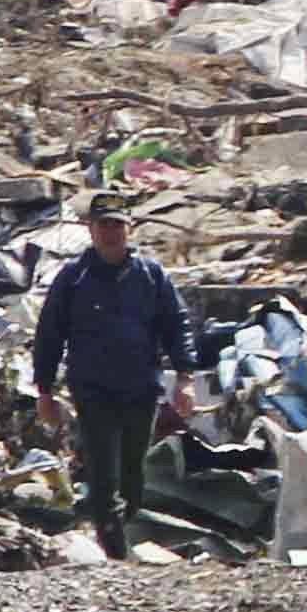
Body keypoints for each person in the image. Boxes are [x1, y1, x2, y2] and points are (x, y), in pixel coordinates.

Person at [31, 198, 196, 559]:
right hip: (93, 390)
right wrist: (45, 390)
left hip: (141, 387)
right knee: (103, 473)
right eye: (103, 225)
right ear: (90, 229)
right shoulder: (73, 278)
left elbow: (176, 325)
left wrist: (185, 377)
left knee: (133, 471)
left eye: (117, 225)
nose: (110, 233)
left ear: (129, 228)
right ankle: (115, 552)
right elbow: (49, 336)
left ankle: (124, 529)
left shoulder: (150, 275)